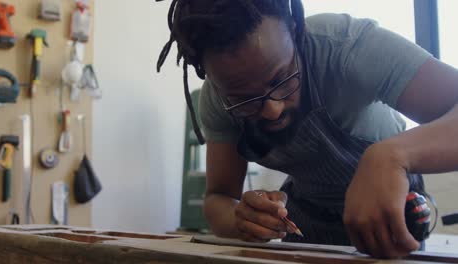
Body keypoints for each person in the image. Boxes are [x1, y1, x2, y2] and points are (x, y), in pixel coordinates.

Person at [156, 0, 458, 259]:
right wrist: (240, 219)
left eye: (281, 79)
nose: (272, 109)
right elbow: (218, 197)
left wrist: (392, 156)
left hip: (393, 217)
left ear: (296, 32)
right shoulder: (217, 100)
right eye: (244, 100)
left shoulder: (347, 48)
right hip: (305, 224)